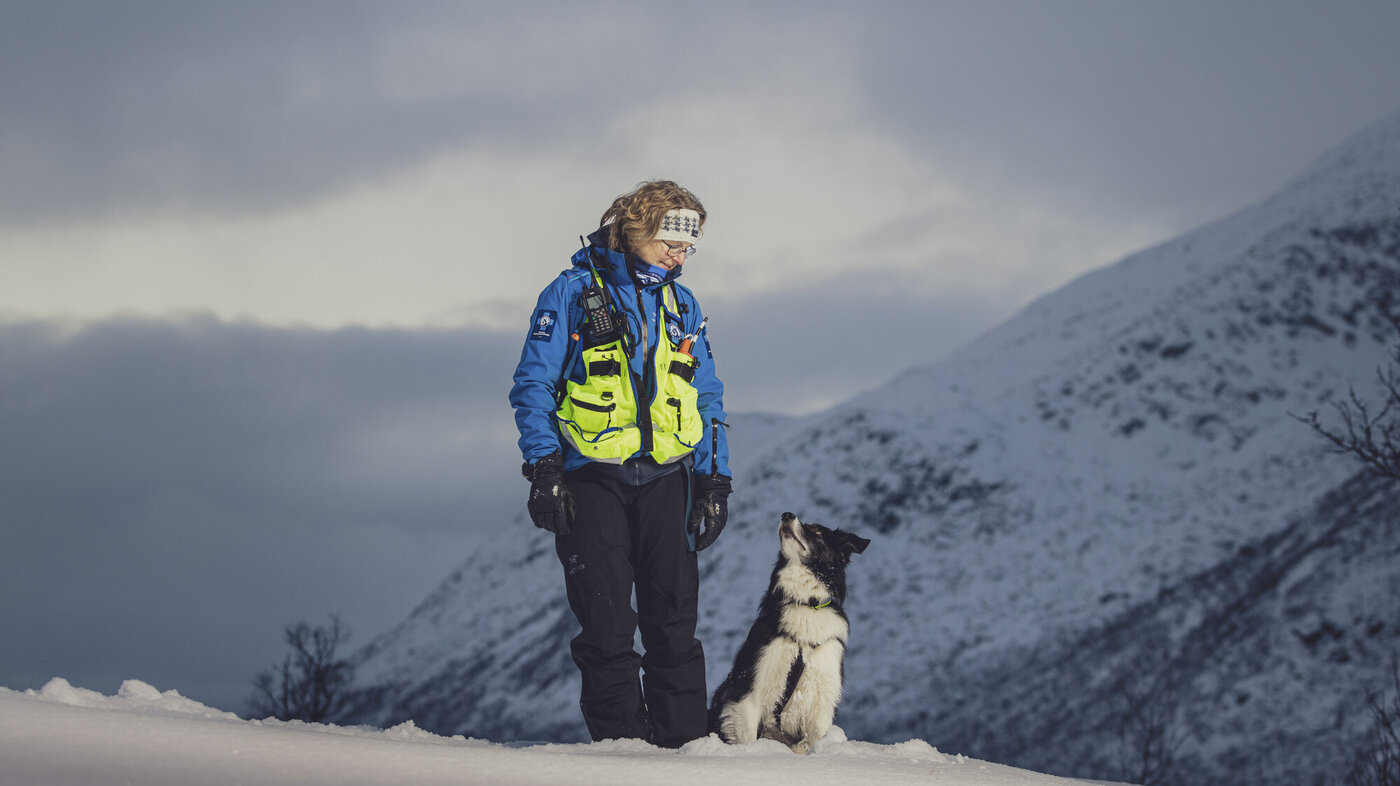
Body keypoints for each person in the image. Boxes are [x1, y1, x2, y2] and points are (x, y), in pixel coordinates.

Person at [508, 180, 733, 748]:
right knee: (608, 630)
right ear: (637, 229)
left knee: (674, 628)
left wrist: (713, 480)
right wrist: (544, 470)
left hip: (668, 481)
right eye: (669, 245)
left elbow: (706, 396)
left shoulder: (683, 304)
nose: (679, 258)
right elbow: (533, 384)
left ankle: (685, 756)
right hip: (592, 482)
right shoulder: (570, 293)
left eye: (687, 249)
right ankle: (626, 760)